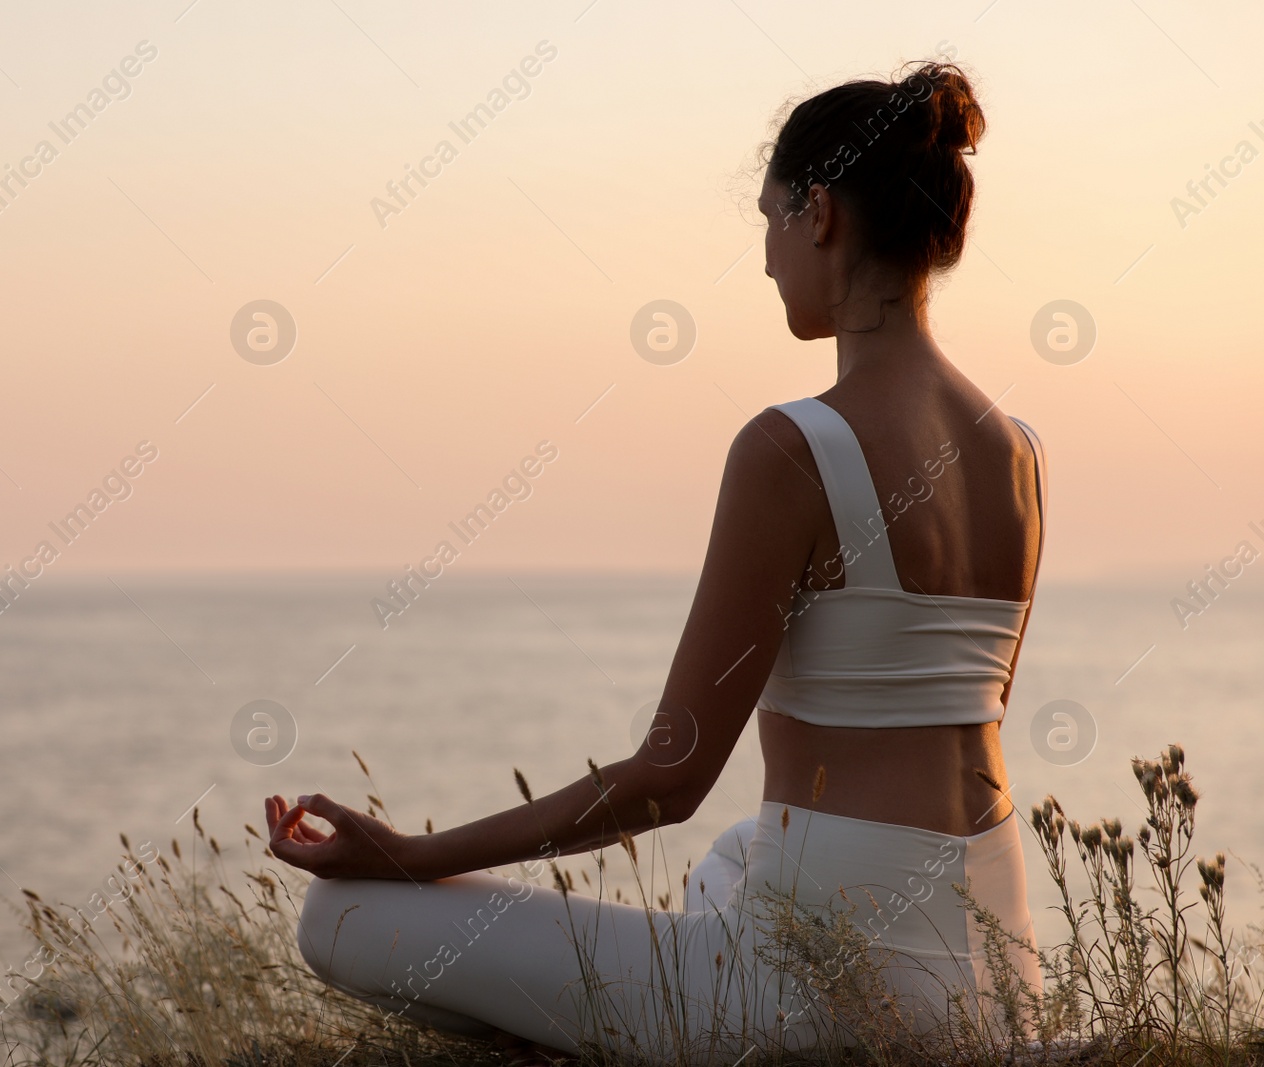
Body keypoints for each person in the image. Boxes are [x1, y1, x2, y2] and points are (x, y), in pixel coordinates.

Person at [264, 59, 1047, 1061]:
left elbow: (665, 780)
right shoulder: (1015, 450)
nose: (766, 260)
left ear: (817, 215)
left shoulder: (793, 448)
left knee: (338, 922)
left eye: (768, 222)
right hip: (990, 982)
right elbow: (952, 724)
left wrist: (409, 854)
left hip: (835, 1003)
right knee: (733, 856)